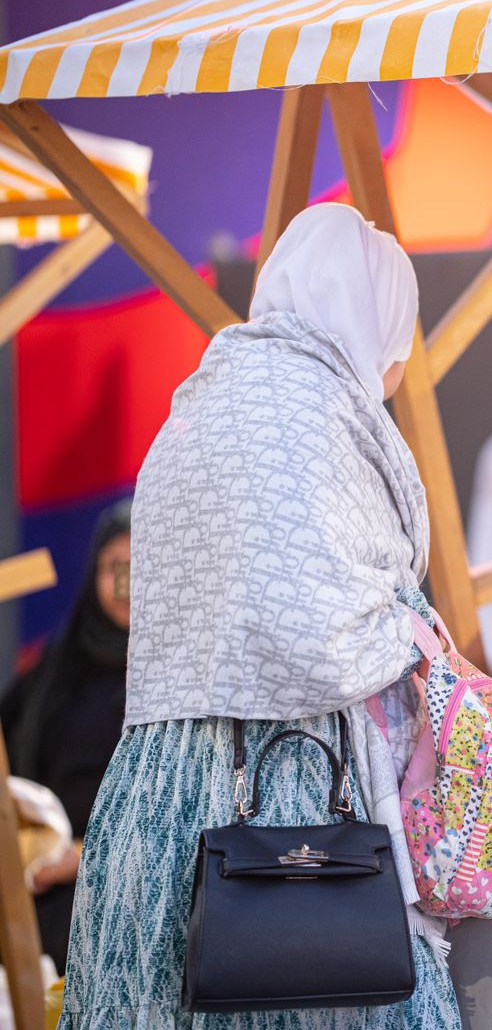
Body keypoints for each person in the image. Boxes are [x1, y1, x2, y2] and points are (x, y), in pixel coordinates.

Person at [57, 204, 460, 1027]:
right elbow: (324, 639)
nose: (392, 365)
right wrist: (414, 634)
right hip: (291, 797)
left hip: (157, 792)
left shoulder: (200, 401)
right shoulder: (321, 416)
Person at [0, 498, 132, 970]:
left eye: (140, 567)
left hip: (123, 899)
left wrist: (84, 855)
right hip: (33, 896)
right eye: (113, 567)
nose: (124, 585)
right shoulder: (55, 671)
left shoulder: (177, 684)